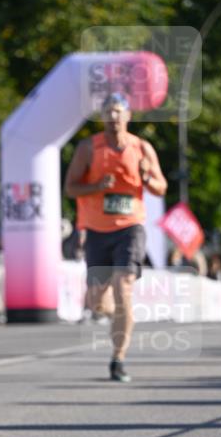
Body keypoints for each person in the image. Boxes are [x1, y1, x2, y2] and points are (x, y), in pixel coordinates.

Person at [64, 92, 167, 382]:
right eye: (108, 112)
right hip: (97, 230)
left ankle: (118, 358)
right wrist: (96, 186)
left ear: (128, 116)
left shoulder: (142, 148)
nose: (113, 118)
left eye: (118, 112)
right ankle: (118, 315)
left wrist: (148, 178)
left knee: (124, 291)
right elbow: (70, 188)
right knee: (97, 302)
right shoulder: (89, 148)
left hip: (130, 227)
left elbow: (161, 187)